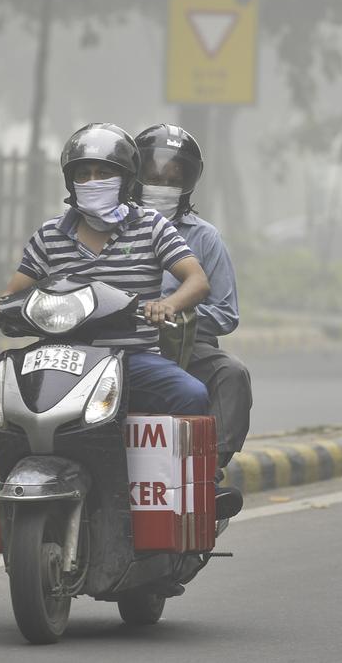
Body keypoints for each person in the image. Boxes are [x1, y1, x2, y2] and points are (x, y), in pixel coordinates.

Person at [0, 123, 211, 550]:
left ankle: (186, 504)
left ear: (127, 180)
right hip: (57, 359)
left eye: (103, 173)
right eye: (84, 174)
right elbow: (14, 292)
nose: (92, 182)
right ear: (70, 181)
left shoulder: (150, 226)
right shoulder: (49, 236)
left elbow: (196, 280)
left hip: (131, 358)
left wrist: (168, 305)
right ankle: (4, 501)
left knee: (190, 395)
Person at [133, 123, 252, 469]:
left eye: (172, 181)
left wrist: (177, 314)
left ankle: (210, 469)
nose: (162, 188)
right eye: (153, 178)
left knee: (232, 374)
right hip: (120, 341)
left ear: (187, 185)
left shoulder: (205, 238)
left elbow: (227, 314)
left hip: (185, 347)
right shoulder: (114, 226)